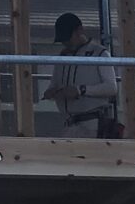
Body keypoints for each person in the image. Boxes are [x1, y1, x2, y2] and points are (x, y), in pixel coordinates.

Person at [44, 10, 124, 139]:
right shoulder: (63, 56)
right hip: (69, 124)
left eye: (68, 38)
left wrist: (81, 90)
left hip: (93, 124)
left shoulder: (99, 54)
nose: (66, 42)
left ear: (79, 31)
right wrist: (52, 92)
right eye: (63, 39)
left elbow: (111, 88)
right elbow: (53, 84)